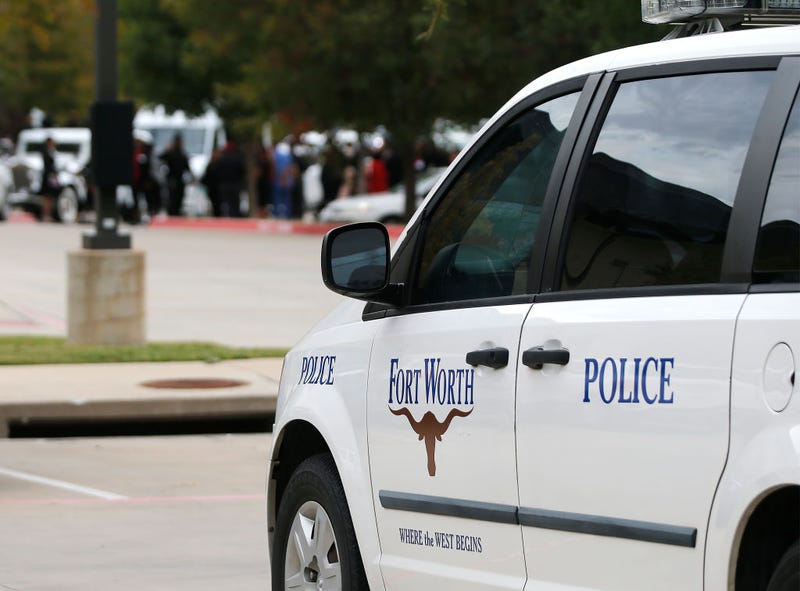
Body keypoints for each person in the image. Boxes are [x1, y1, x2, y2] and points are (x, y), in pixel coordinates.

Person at [158, 134, 191, 216]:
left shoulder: (182, 153)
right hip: (171, 178)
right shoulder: (170, 152)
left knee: (179, 197)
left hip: (179, 179)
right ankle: (171, 213)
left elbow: (186, 167)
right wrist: (167, 149)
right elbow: (160, 158)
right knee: (172, 198)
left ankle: (176, 212)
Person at [214, 139, 246, 218]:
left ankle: (227, 216)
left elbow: (217, 172)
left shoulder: (222, 159)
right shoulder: (238, 158)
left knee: (226, 203)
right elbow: (242, 171)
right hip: (235, 184)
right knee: (235, 204)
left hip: (225, 185)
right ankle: (235, 216)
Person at [272, 141, 297, 219]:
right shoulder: (286, 156)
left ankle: (282, 214)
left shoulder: (281, 156)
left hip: (282, 182)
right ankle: (283, 214)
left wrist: (284, 179)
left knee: (282, 200)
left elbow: (286, 169)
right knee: (283, 200)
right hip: (283, 181)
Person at [39, 137, 59, 221]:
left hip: (51, 176)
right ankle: (45, 215)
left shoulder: (52, 151)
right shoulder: (46, 152)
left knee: (51, 196)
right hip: (48, 176)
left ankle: (49, 214)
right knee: (47, 196)